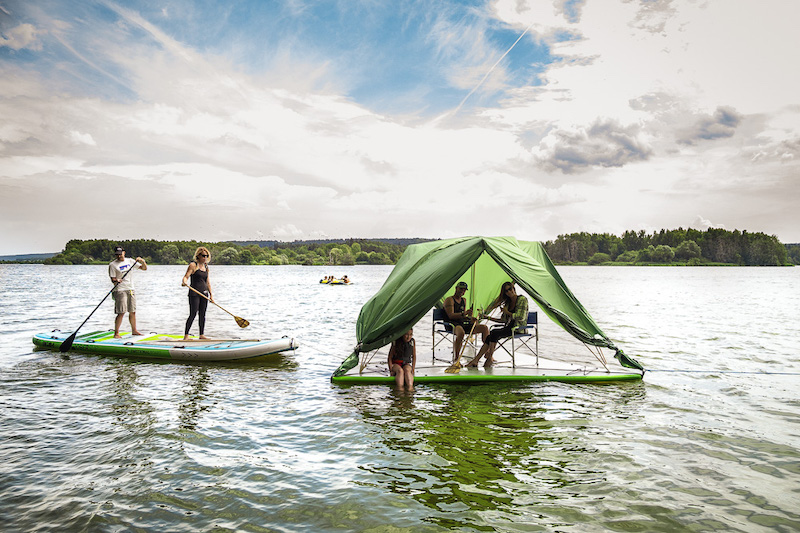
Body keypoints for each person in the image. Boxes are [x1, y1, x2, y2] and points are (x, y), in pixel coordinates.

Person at [466, 282, 528, 368]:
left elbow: (521, 317)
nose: (510, 291)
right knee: (490, 336)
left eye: (510, 289)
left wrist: (507, 312)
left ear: (514, 288)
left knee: (494, 333)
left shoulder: (522, 299)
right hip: (508, 327)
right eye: (507, 291)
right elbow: (503, 320)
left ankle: (489, 358)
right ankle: (476, 360)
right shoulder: (508, 303)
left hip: (518, 328)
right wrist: (488, 318)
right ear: (505, 293)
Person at [442, 281, 489, 362]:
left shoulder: (464, 300)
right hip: (452, 324)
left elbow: (463, 316)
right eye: (460, 289)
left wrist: (470, 318)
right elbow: (451, 315)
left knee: (484, 328)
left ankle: (487, 354)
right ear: (456, 288)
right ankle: (456, 357)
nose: (462, 291)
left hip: (462, 323)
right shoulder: (449, 300)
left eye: (464, 290)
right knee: (461, 333)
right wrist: (464, 314)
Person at [108, 246, 147, 338]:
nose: (119, 256)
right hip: (120, 290)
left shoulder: (130, 261)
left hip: (131, 289)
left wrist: (142, 261)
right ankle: (116, 333)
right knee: (121, 312)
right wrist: (117, 280)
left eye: (120, 254)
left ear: (124, 253)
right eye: (117, 255)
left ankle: (134, 330)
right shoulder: (112, 265)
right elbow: (113, 279)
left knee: (132, 311)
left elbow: (144, 268)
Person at [181, 247, 214, 340]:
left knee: (203, 314)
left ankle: (201, 335)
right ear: (198, 256)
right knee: (193, 313)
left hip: (204, 293)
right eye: (203, 256)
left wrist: (211, 295)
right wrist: (184, 281)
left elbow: (208, 282)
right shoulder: (193, 265)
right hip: (194, 293)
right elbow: (186, 276)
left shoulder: (206, 267)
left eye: (206, 256)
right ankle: (186, 336)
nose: (205, 258)